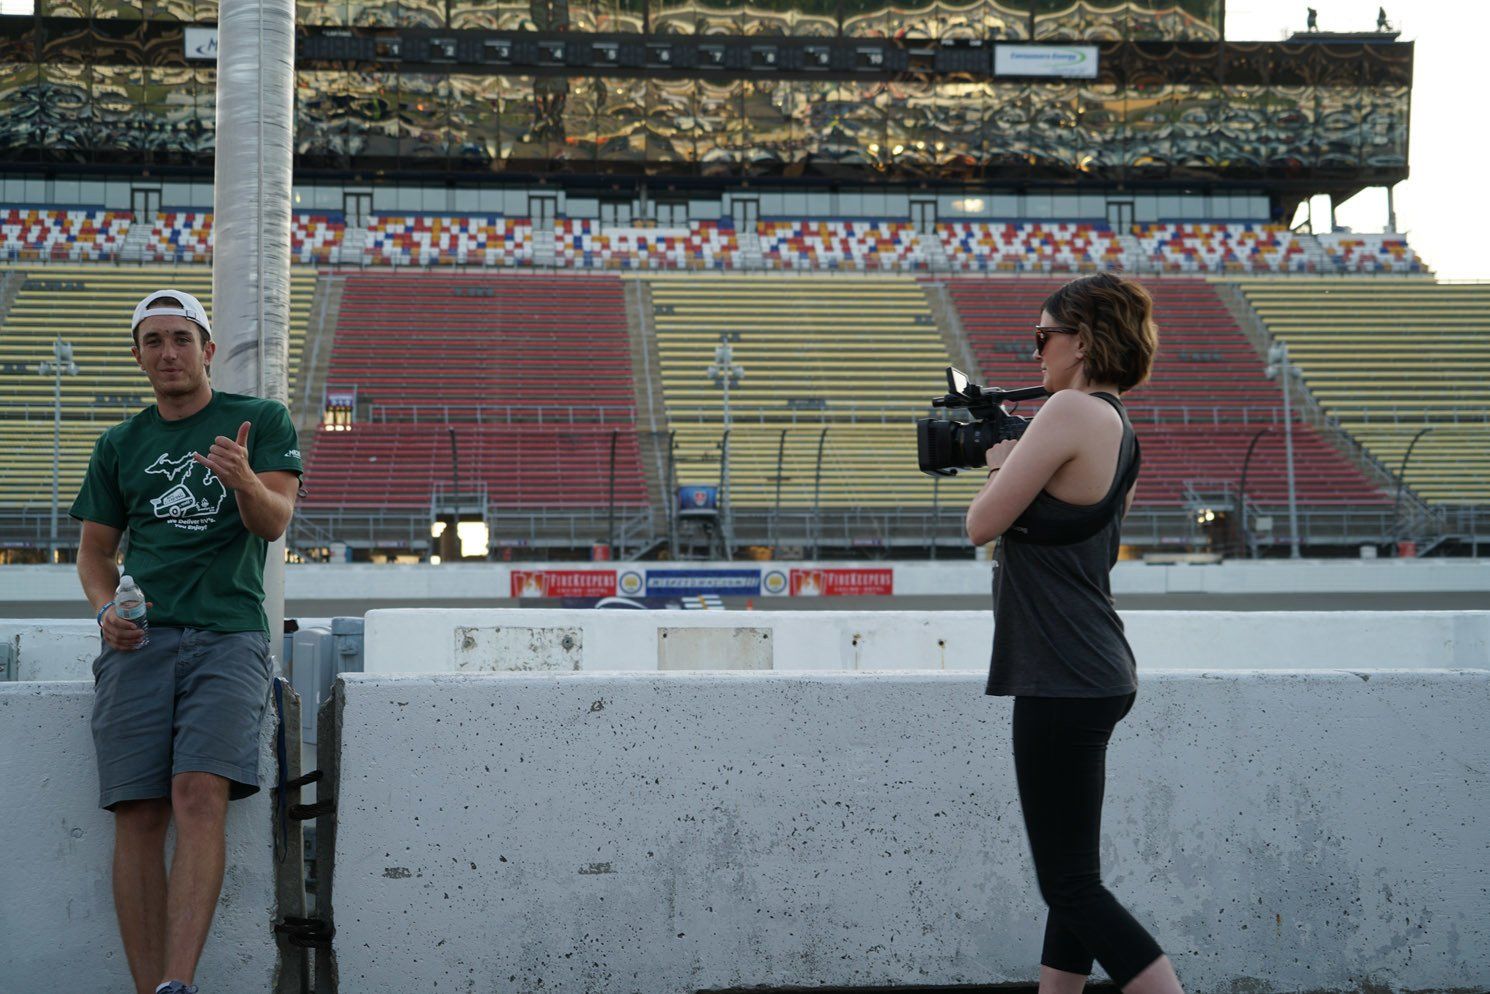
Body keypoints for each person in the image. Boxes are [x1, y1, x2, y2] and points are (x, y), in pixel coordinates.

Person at [70, 290, 302, 994]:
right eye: (153, 341)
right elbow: (93, 554)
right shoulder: (120, 443)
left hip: (227, 634)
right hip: (139, 641)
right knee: (137, 809)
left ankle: (178, 983)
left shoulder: (257, 420)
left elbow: (274, 524)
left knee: (198, 793)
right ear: (138, 356)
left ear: (207, 349)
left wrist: (240, 482)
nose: (168, 352)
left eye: (181, 338)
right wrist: (106, 607)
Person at [965, 273, 1182, 994]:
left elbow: (980, 524)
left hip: (1062, 673)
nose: (1036, 355)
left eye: (1041, 338)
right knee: (1073, 881)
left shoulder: (1066, 411)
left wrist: (998, 461)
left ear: (1081, 340)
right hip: (1091, 669)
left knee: (1070, 886)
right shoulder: (1115, 422)